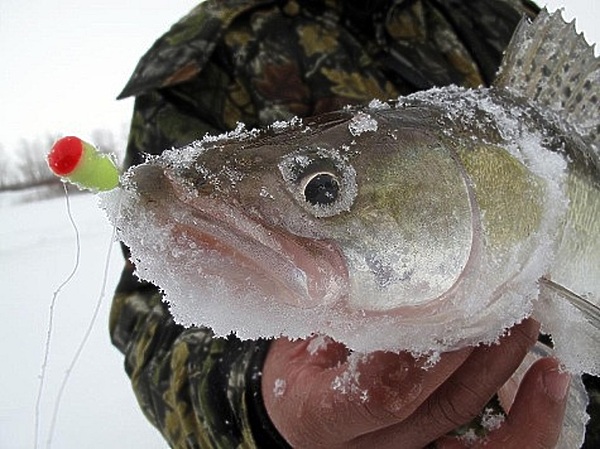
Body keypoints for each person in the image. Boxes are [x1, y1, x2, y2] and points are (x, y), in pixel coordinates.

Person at [111, 0, 595, 447]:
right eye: (322, 190)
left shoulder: (491, 7)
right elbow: (150, 316)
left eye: (324, 190)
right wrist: (261, 406)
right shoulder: (207, 61)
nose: (321, 194)